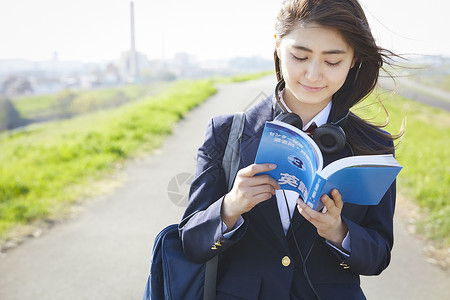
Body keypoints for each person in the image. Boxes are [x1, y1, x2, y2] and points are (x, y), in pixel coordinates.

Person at [179, 0, 400, 299]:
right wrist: (231, 207)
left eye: (332, 61)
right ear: (278, 46)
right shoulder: (225, 133)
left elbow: (378, 258)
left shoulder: (374, 146)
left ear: (353, 60)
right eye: (299, 56)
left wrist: (338, 232)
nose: (313, 74)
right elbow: (192, 244)